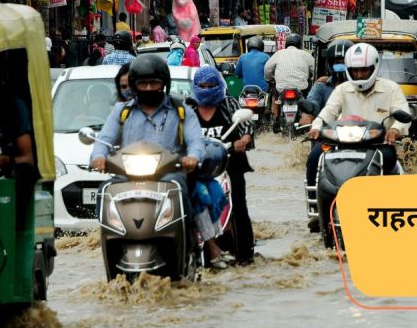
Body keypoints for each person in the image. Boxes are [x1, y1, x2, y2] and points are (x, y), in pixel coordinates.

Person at [89, 56, 206, 218]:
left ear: (164, 83)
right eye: (143, 84)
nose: (149, 88)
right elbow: (104, 139)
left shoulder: (181, 111)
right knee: (105, 190)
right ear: (134, 85)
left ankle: (186, 238)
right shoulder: (121, 111)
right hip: (126, 176)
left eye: (154, 83)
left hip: (169, 176)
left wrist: (193, 157)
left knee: (180, 193)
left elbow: (196, 141)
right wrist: (99, 157)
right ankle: (109, 240)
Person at [309, 43, 410, 175]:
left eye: (364, 70)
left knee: (389, 158)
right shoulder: (342, 89)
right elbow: (329, 111)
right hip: (344, 145)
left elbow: (404, 113)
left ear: (374, 67)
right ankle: (313, 194)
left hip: (379, 145)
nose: (359, 75)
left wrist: (395, 129)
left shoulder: (391, 88)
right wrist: (316, 127)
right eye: (355, 71)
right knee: (315, 156)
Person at [188, 66, 255, 265]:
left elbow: (246, 127)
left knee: (239, 204)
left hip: (229, 163)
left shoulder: (228, 104)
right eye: (203, 86)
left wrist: (244, 139)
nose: (207, 90)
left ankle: (245, 254)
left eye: (211, 85)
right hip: (197, 168)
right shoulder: (188, 109)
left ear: (219, 86)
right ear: (196, 87)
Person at [303, 40, 354, 207]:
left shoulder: (361, 86)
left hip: (357, 138)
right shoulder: (321, 86)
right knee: (313, 158)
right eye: (336, 63)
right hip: (329, 138)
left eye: (343, 62)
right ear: (330, 64)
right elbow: (313, 106)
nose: (340, 66)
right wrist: (309, 117)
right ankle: (313, 204)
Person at [264, 33, 314, 130]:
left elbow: (267, 68)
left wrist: (269, 79)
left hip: (281, 89)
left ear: (286, 43)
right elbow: (314, 69)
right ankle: (306, 117)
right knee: (310, 96)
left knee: (274, 95)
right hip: (301, 88)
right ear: (300, 44)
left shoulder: (278, 53)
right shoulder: (306, 55)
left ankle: (275, 119)